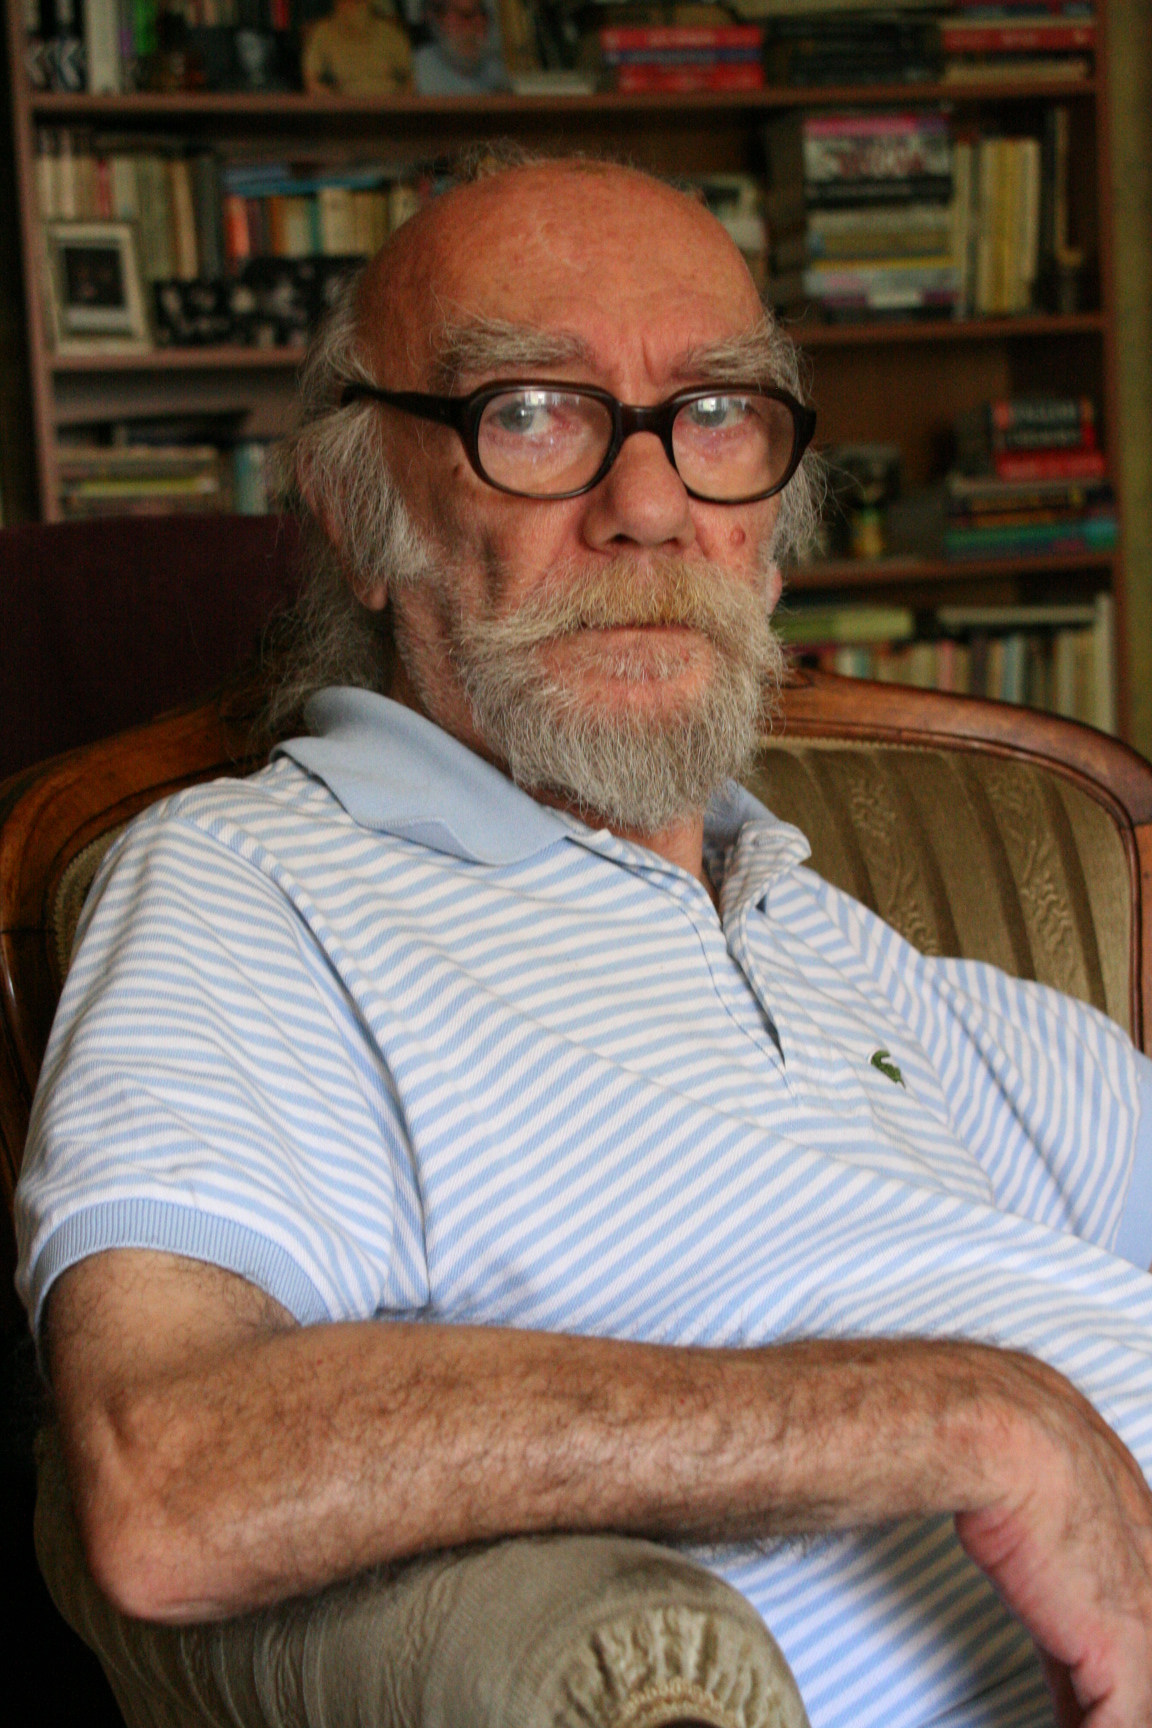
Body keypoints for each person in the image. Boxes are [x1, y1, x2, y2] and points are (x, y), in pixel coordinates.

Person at [14, 156, 1152, 1728]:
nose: (649, 507)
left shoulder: (879, 963)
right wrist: (968, 1418)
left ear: (771, 531)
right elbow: (172, 1471)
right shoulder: (250, 885)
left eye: (715, 413)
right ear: (365, 514)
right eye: (535, 412)